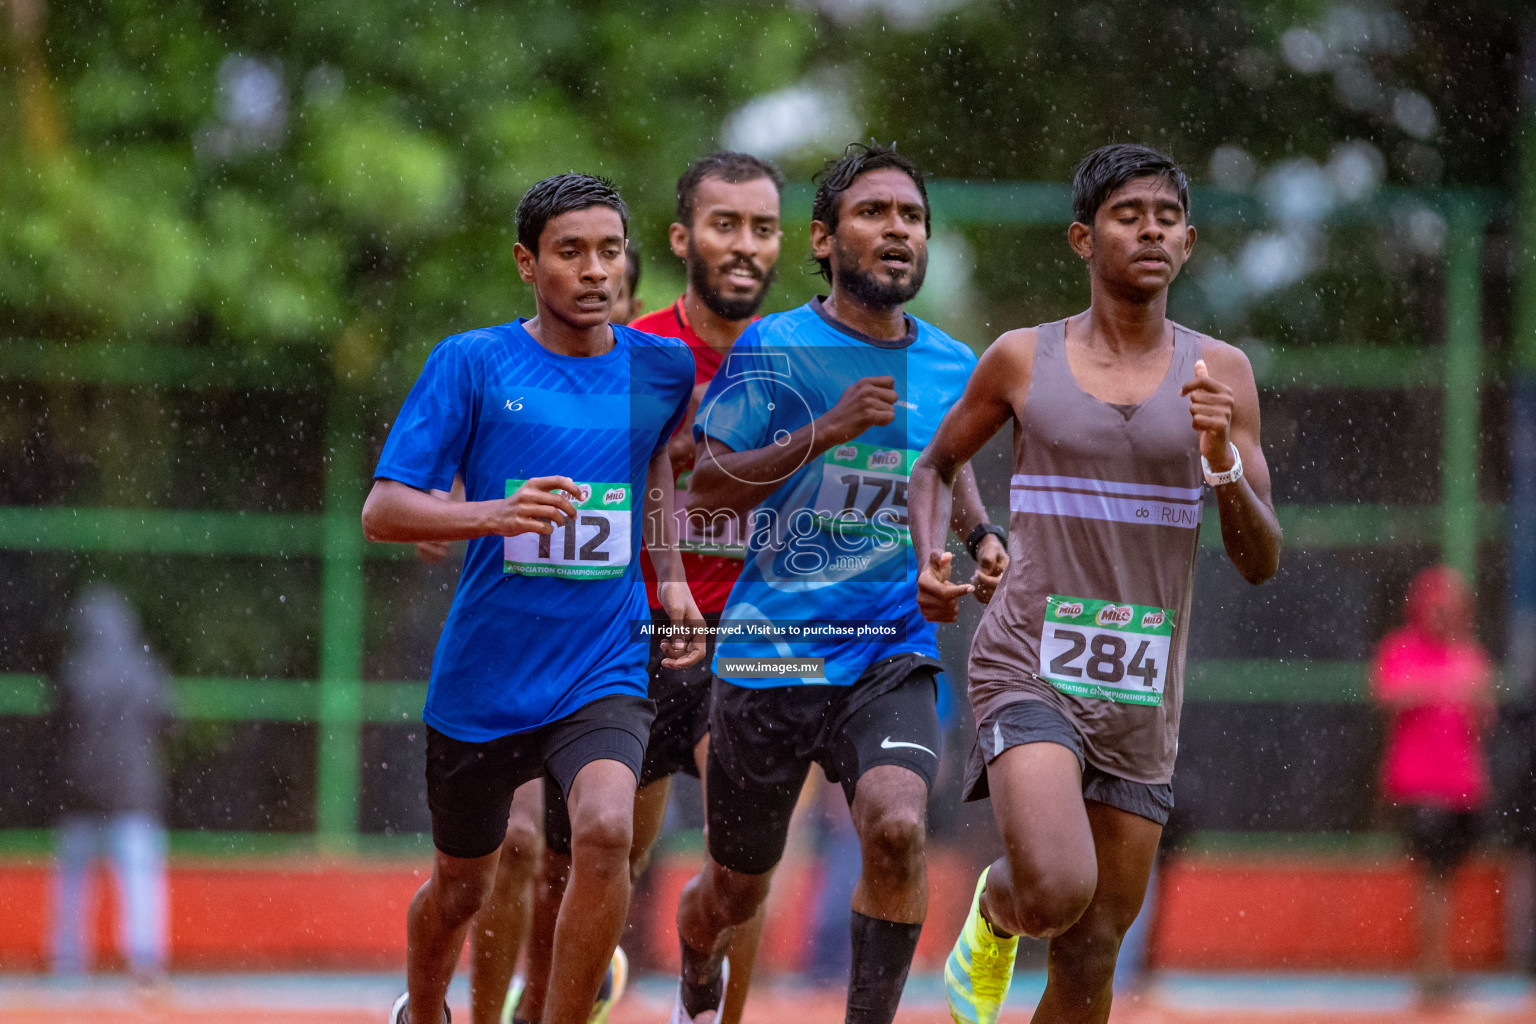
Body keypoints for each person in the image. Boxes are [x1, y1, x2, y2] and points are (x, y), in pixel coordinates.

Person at [909, 143, 1282, 1024]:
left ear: (1188, 243)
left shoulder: (1220, 375)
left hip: (1138, 685)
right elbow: (936, 466)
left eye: (1164, 217)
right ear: (1083, 238)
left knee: (1092, 947)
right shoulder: (1020, 359)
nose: (1148, 229)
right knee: (1054, 886)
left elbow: (1261, 558)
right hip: (1027, 659)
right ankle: (998, 914)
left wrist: (1222, 458)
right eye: (1126, 214)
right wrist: (948, 548)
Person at [672, 142, 1007, 1024]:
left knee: (897, 829)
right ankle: (696, 966)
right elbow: (704, 483)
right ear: (823, 240)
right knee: (736, 892)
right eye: (874, 213)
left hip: (889, 648)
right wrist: (825, 429)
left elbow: (949, 467)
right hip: (769, 656)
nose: (898, 229)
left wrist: (983, 538)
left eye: (912, 217)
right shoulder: (775, 345)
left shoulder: (953, 363)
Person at [361, 172, 704, 1024]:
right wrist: (492, 513)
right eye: (570, 252)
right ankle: (428, 1008)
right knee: (462, 884)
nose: (594, 270)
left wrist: (670, 581)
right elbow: (384, 511)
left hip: (605, 660)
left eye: (609, 252)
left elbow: (655, 463)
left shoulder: (661, 369)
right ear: (527, 262)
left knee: (605, 835)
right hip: (487, 677)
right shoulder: (471, 363)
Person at [510, 151, 784, 1024]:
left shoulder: (807, 360)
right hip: (630, 635)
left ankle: (708, 1006)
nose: (743, 246)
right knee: (594, 854)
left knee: (747, 856)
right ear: (683, 238)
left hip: (748, 641)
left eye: (762, 228)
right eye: (724, 225)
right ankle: (560, 998)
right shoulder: (636, 353)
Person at [1371, 564, 1493, 1006]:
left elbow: (1481, 719)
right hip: (1420, 786)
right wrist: (1446, 684)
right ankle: (1431, 975)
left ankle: (1439, 970)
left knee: (1445, 882)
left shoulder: (1469, 655)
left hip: (1462, 786)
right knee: (1432, 881)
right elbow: (1388, 693)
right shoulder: (1403, 649)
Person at [51, 582, 171, 983]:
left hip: (81, 793)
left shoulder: (74, 671)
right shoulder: (144, 669)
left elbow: (55, 729)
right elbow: (170, 722)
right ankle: (144, 961)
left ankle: (68, 962)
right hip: (133, 794)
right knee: (140, 884)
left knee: (73, 886)